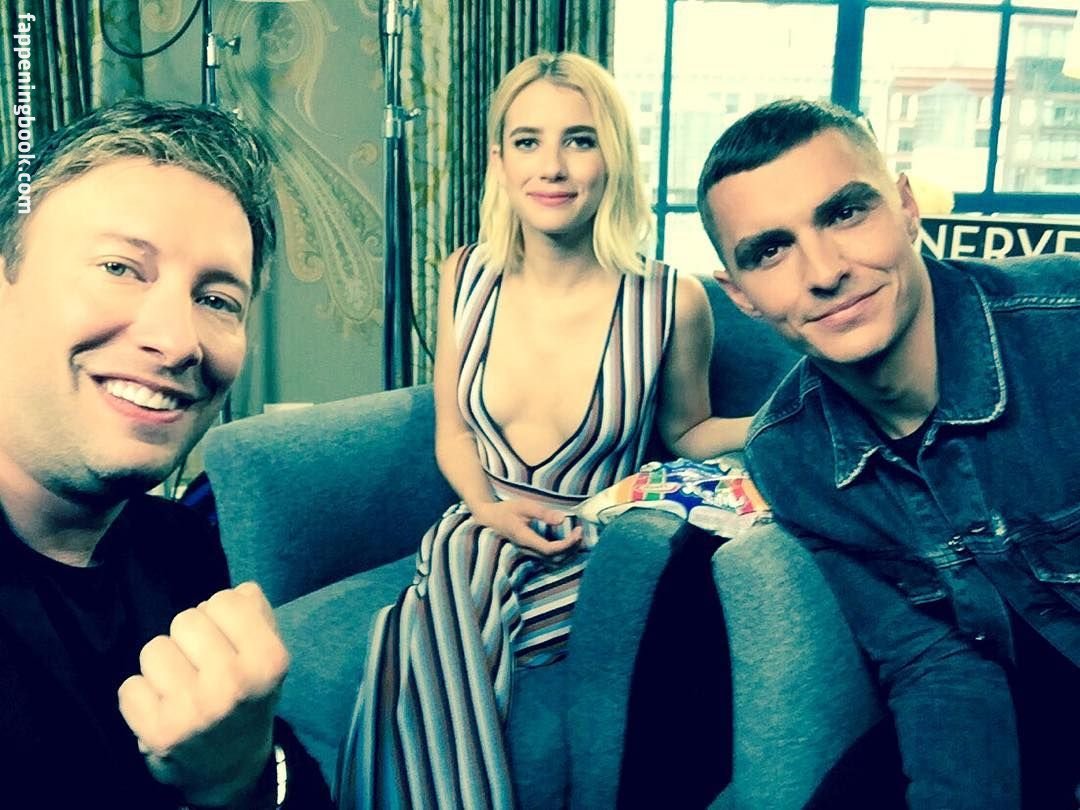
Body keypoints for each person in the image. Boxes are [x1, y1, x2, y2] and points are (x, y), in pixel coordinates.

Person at [338, 52, 752, 808]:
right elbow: (453, 434)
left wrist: (784, 417)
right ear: (499, 162)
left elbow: (689, 432)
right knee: (468, 545)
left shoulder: (671, 300)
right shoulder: (464, 275)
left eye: (580, 140)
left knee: (415, 622)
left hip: (588, 545)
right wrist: (488, 508)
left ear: (612, 157)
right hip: (483, 523)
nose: (552, 166)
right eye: (527, 141)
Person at [697, 98, 1080, 809]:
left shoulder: (1067, 331)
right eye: (770, 250)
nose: (823, 271)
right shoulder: (789, 455)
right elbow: (933, 660)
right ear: (739, 293)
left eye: (845, 213)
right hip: (1018, 705)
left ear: (905, 208)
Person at [0, 99, 332, 808]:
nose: (179, 341)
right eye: (120, 267)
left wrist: (239, 776)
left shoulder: (180, 545)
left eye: (217, 300)